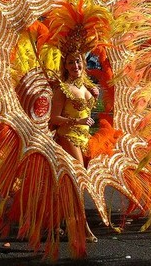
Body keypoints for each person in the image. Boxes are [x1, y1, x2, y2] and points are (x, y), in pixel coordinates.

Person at [49, 50, 99, 242]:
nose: (75, 66)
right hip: (68, 137)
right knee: (80, 181)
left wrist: (95, 95)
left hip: (85, 139)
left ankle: (56, 223)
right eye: (70, 63)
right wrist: (78, 122)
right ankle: (81, 226)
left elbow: (86, 111)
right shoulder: (63, 89)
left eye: (77, 62)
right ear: (65, 66)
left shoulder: (87, 87)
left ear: (84, 64)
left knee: (70, 184)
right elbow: (54, 118)